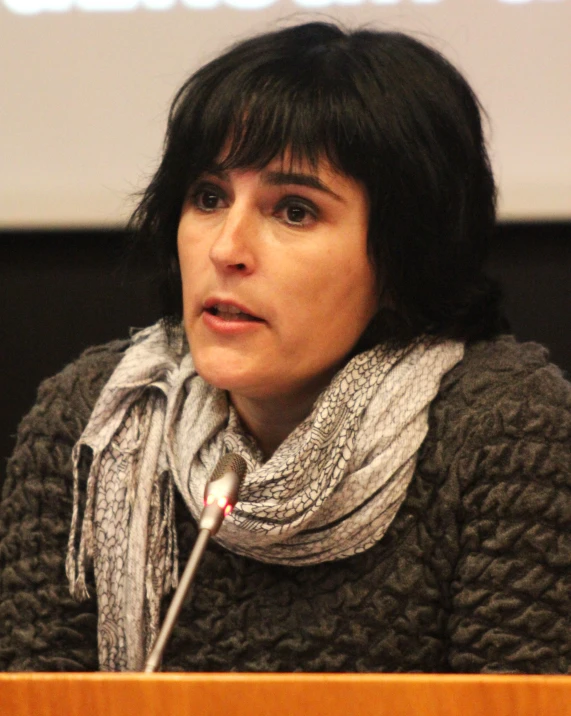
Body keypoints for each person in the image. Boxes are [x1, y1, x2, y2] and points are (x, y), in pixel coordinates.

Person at [1, 21, 570, 674]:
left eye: (294, 210)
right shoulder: (99, 425)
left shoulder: (503, 430)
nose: (225, 248)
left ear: (403, 258)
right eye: (208, 198)